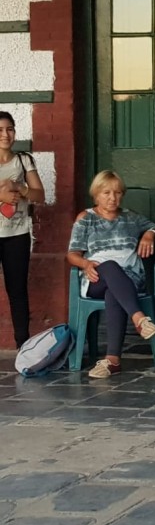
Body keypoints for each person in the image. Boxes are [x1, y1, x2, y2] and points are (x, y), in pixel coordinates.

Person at [66, 171, 155, 378]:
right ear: (96, 195)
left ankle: (113, 361)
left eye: (117, 193)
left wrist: (149, 234)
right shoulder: (86, 219)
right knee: (109, 266)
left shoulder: (131, 218)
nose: (112, 198)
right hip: (96, 277)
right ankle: (139, 318)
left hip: (130, 279)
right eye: (106, 193)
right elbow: (72, 255)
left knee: (114, 293)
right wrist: (85, 263)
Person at [0, 111, 45, 349]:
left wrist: (21, 188)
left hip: (16, 234)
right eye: (0, 130)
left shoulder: (23, 160)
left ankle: (23, 346)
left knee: (17, 290)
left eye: (9, 129)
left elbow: (40, 195)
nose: (5, 135)